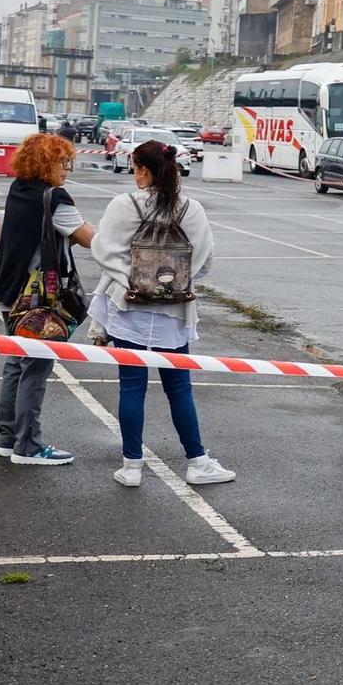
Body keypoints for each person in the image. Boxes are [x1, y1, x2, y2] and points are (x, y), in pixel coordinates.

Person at [90, 140, 234, 486]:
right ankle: (197, 461)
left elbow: (103, 250)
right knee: (179, 388)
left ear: (143, 170)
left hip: (129, 308)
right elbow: (205, 260)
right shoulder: (191, 209)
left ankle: (132, 466)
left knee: (132, 387)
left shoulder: (124, 205)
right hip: (175, 312)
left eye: (135, 168)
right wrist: (173, 285)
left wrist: (134, 280)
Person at [0, 133, 95, 465]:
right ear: (47, 163)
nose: (68, 170)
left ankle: (7, 439)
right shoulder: (53, 197)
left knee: (15, 365)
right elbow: (89, 238)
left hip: (10, 290)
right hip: (38, 300)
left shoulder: (18, 189)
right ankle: (28, 446)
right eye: (65, 163)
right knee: (35, 368)